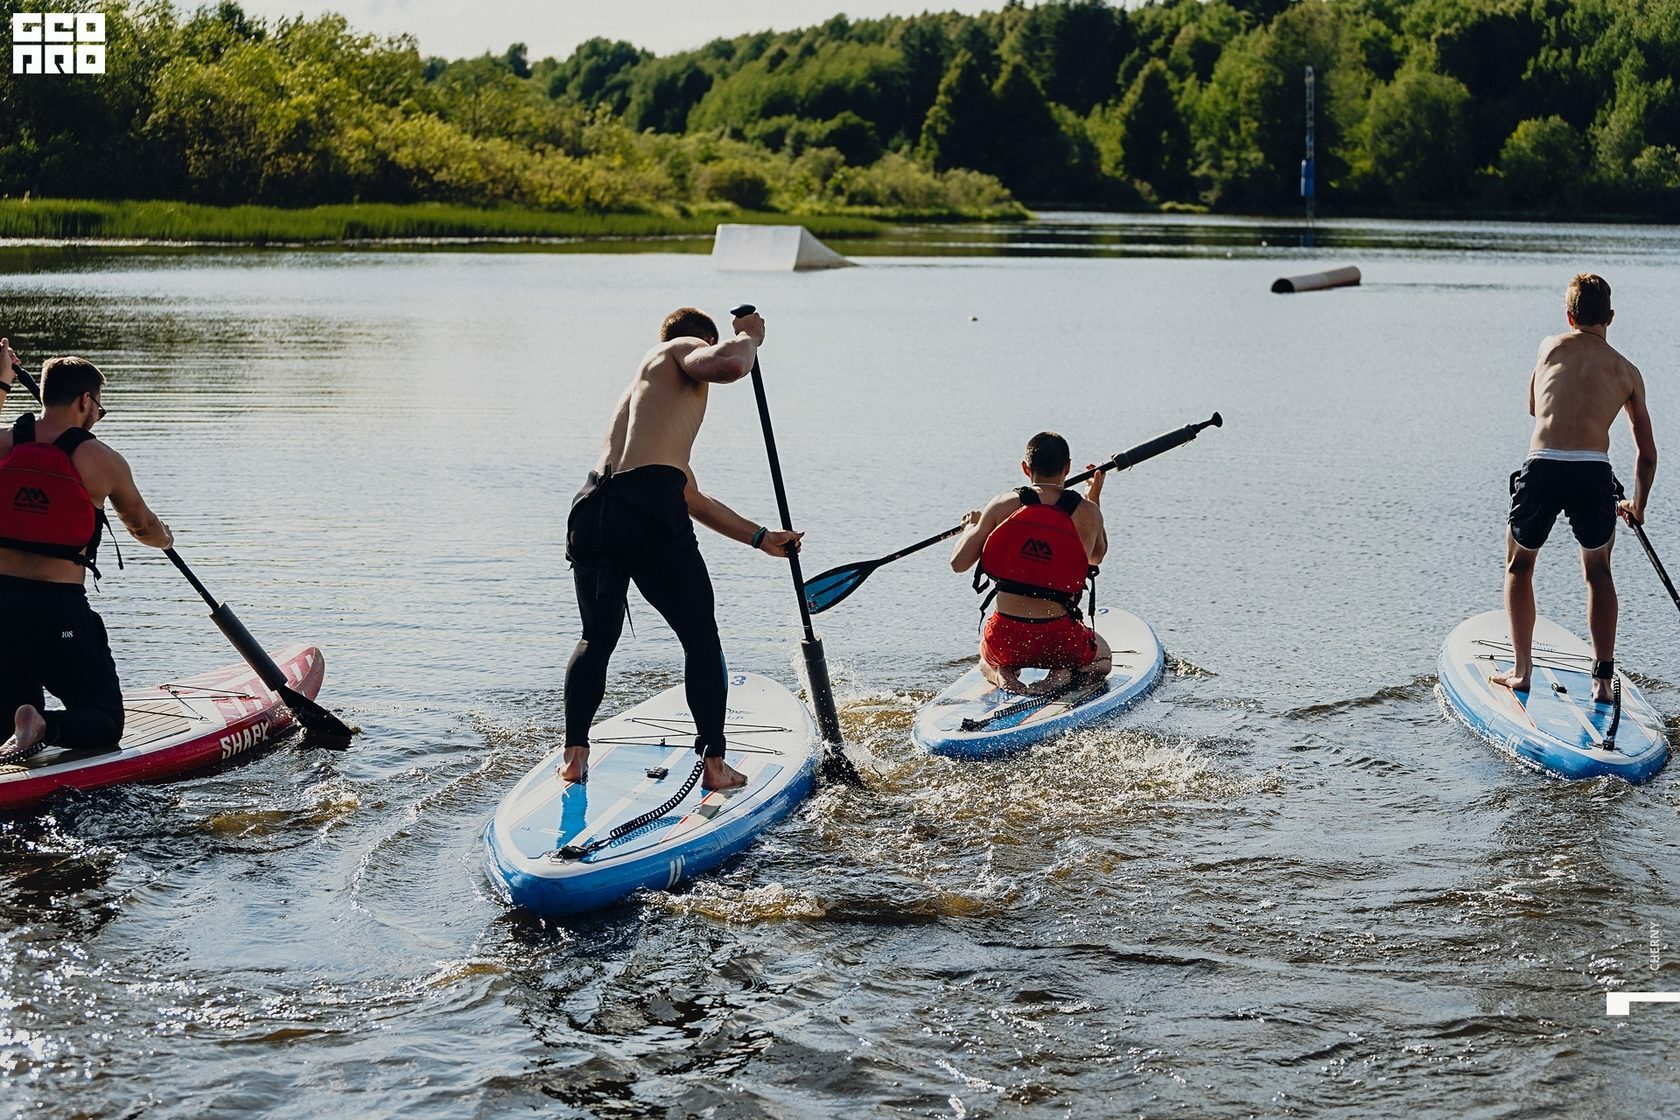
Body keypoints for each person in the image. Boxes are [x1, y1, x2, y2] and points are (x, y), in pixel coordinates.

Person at [562, 307, 802, 791]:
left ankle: (574, 757)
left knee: (597, 637)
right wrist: (748, 337)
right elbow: (732, 365)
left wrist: (760, 537)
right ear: (703, 340)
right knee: (700, 638)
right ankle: (715, 765)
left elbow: (688, 496)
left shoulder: (641, 404)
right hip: (643, 507)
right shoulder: (680, 348)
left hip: (593, 510)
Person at [0, 340, 174, 760]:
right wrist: (164, 536)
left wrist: (2, 379)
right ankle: (45, 725)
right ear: (84, 400)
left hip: (1, 610)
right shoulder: (101, 459)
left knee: (4, 721)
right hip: (58, 612)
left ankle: (22, 722)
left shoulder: (4, 444)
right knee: (103, 720)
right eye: (99, 406)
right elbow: (143, 527)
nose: (98, 414)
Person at [1490, 273, 1657, 702]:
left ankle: (1522, 671)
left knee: (1519, 566)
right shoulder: (1627, 371)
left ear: (1569, 316)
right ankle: (1602, 681)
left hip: (1543, 466)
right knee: (1598, 571)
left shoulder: (1549, 346)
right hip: (1592, 472)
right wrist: (1637, 503)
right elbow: (1647, 454)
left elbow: (1533, 406)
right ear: (1611, 317)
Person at [950, 431, 1112, 695]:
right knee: (1103, 659)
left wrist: (973, 526)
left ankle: (1001, 673)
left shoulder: (1003, 504)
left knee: (984, 659)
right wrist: (1093, 497)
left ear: (1026, 469)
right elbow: (1096, 556)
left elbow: (958, 563)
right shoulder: (1087, 512)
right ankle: (1063, 672)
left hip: (1006, 636)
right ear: (1067, 467)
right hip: (1059, 638)